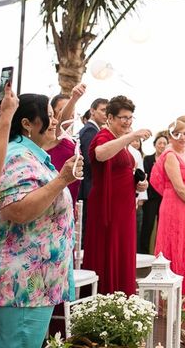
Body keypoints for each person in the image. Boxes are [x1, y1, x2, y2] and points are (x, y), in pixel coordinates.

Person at [0, 93, 82, 348]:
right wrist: (62, 180)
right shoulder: (17, 154)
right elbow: (16, 211)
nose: (54, 121)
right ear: (28, 123)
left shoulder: (31, 155)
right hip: (19, 285)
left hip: (33, 282)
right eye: (49, 115)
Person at [82, 95, 151, 295]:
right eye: (124, 117)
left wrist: (138, 183)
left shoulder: (119, 141)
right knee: (107, 253)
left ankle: (122, 299)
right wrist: (130, 136)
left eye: (131, 118)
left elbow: (120, 171)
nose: (128, 122)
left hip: (125, 207)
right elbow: (99, 154)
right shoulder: (103, 136)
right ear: (110, 118)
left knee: (123, 254)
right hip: (108, 206)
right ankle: (105, 300)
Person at [150, 120, 185, 293]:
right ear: (170, 136)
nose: (183, 137)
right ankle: (169, 295)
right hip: (174, 204)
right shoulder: (170, 155)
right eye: (178, 133)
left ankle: (184, 291)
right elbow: (178, 186)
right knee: (174, 244)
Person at [45, 84, 86, 202]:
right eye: (63, 109)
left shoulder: (72, 139)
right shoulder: (52, 135)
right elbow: (62, 120)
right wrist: (74, 98)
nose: (71, 112)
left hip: (71, 198)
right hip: (54, 199)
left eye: (73, 108)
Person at [77, 97, 108, 247]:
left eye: (107, 111)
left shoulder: (95, 130)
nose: (105, 114)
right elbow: (91, 160)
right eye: (102, 110)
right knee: (86, 231)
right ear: (92, 111)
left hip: (89, 186)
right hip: (89, 187)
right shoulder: (90, 130)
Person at [139, 131, 168, 254]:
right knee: (147, 225)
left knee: (163, 227)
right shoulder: (148, 159)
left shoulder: (169, 159)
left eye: (164, 143)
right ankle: (143, 252)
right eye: (160, 143)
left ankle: (161, 253)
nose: (162, 145)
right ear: (155, 145)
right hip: (151, 197)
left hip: (164, 197)